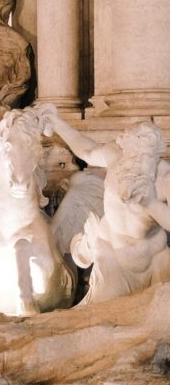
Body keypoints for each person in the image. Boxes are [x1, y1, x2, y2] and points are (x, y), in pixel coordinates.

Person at [38, 105, 170, 304]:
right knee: (103, 318)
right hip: (111, 254)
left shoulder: (164, 178)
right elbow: (87, 149)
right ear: (125, 148)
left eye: (144, 158)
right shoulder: (115, 156)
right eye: (133, 155)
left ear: (155, 157)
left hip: (151, 260)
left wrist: (151, 203)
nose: (136, 163)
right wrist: (57, 123)